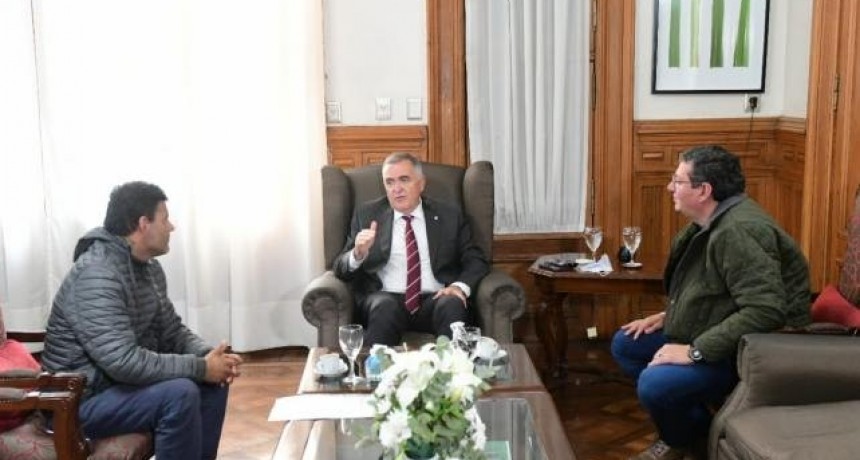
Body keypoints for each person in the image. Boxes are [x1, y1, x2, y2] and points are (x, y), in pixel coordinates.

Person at [611, 145, 811, 460]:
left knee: (655, 384)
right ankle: (698, 430)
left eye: (677, 181)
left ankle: (681, 438)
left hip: (748, 351)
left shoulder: (738, 231)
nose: (670, 187)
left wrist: (694, 351)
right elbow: (718, 290)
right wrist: (670, 314)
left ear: (703, 190)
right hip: (720, 332)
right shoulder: (713, 220)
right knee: (627, 344)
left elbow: (766, 310)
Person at [41, 181, 242, 460]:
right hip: (76, 402)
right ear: (143, 224)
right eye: (165, 219)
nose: (171, 227)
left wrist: (210, 357)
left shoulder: (148, 268)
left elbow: (172, 331)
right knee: (180, 393)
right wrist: (200, 367)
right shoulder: (97, 274)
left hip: (115, 387)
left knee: (212, 383)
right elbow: (123, 361)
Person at [333, 152, 490, 346]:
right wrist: (358, 254)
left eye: (404, 180)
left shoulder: (449, 215)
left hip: (436, 298)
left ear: (421, 183)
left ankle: (453, 364)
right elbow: (339, 268)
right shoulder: (367, 215)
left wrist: (459, 287)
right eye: (389, 182)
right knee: (384, 306)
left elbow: (476, 259)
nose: (397, 189)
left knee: (452, 303)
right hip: (386, 298)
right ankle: (376, 365)